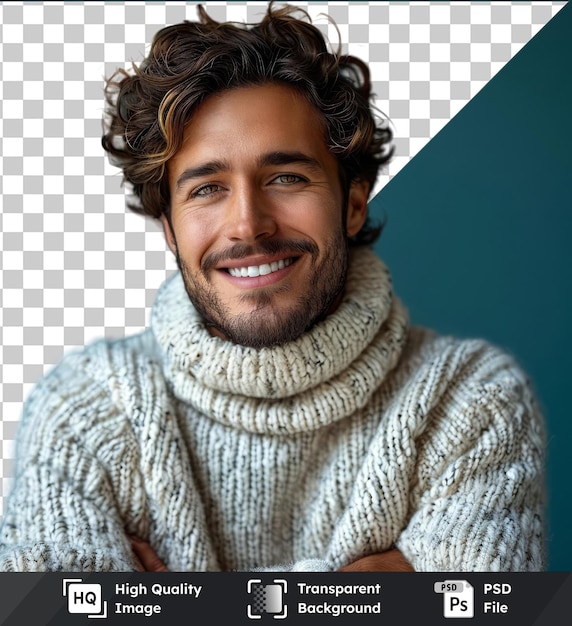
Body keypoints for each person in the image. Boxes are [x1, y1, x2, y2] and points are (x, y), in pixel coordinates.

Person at [0, 3, 545, 573]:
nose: (248, 224)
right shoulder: (85, 410)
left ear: (354, 203)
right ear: (169, 228)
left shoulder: (469, 401)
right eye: (207, 188)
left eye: (286, 178)